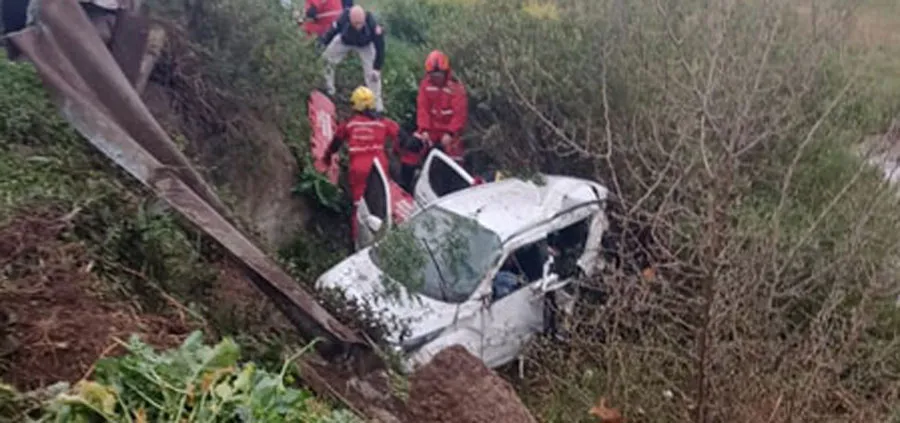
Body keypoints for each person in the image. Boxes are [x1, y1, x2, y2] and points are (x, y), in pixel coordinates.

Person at [324, 86, 400, 238]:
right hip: (378, 166)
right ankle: (382, 238)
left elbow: (335, 144)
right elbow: (403, 139)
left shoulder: (350, 124)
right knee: (379, 206)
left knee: (359, 206)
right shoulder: (383, 123)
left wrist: (326, 158)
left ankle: (357, 240)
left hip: (358, 169)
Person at [396, 50, 468, 190]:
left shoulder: (456, 88)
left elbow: (460, 114)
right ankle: (405, 186)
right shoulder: (425, 85)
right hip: (430, 130)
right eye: (433, 75)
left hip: (449, 133)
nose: (435, 78)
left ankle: (448, 189)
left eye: (438, 75)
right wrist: (424, 130)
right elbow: (423, 109)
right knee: (412, 148)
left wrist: (450, 133)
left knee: (452, 160)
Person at [320, 5, 385, 112]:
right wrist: (322, 44)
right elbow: (331, 33)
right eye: (355, 23)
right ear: (350, 19)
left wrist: (377, 68)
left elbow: (380, 47)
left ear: (364, 19)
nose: (358, 26)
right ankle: (329, 89)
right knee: (326, 60)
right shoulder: (343, 18)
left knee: (373, 75)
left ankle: (377, 106)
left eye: (360, 23)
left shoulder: (373, 24)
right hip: (345, 41)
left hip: (365, 45)